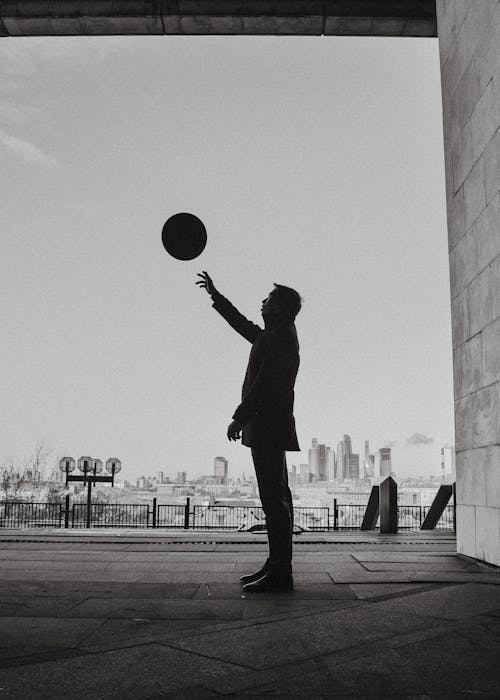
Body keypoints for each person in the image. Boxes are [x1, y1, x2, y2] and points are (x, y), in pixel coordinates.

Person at [196, 271, 302, 591]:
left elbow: (266, 384)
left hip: (268, 426)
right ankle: (276, 565)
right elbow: (240, 323)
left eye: (268, 299)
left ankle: (280, 571)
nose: (262, 301)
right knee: (276, 497)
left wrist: (239, 417)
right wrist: (216, 295)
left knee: (274, 499)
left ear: (281, 307)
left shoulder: (280, 336)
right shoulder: (273, 335)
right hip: (270, 426)